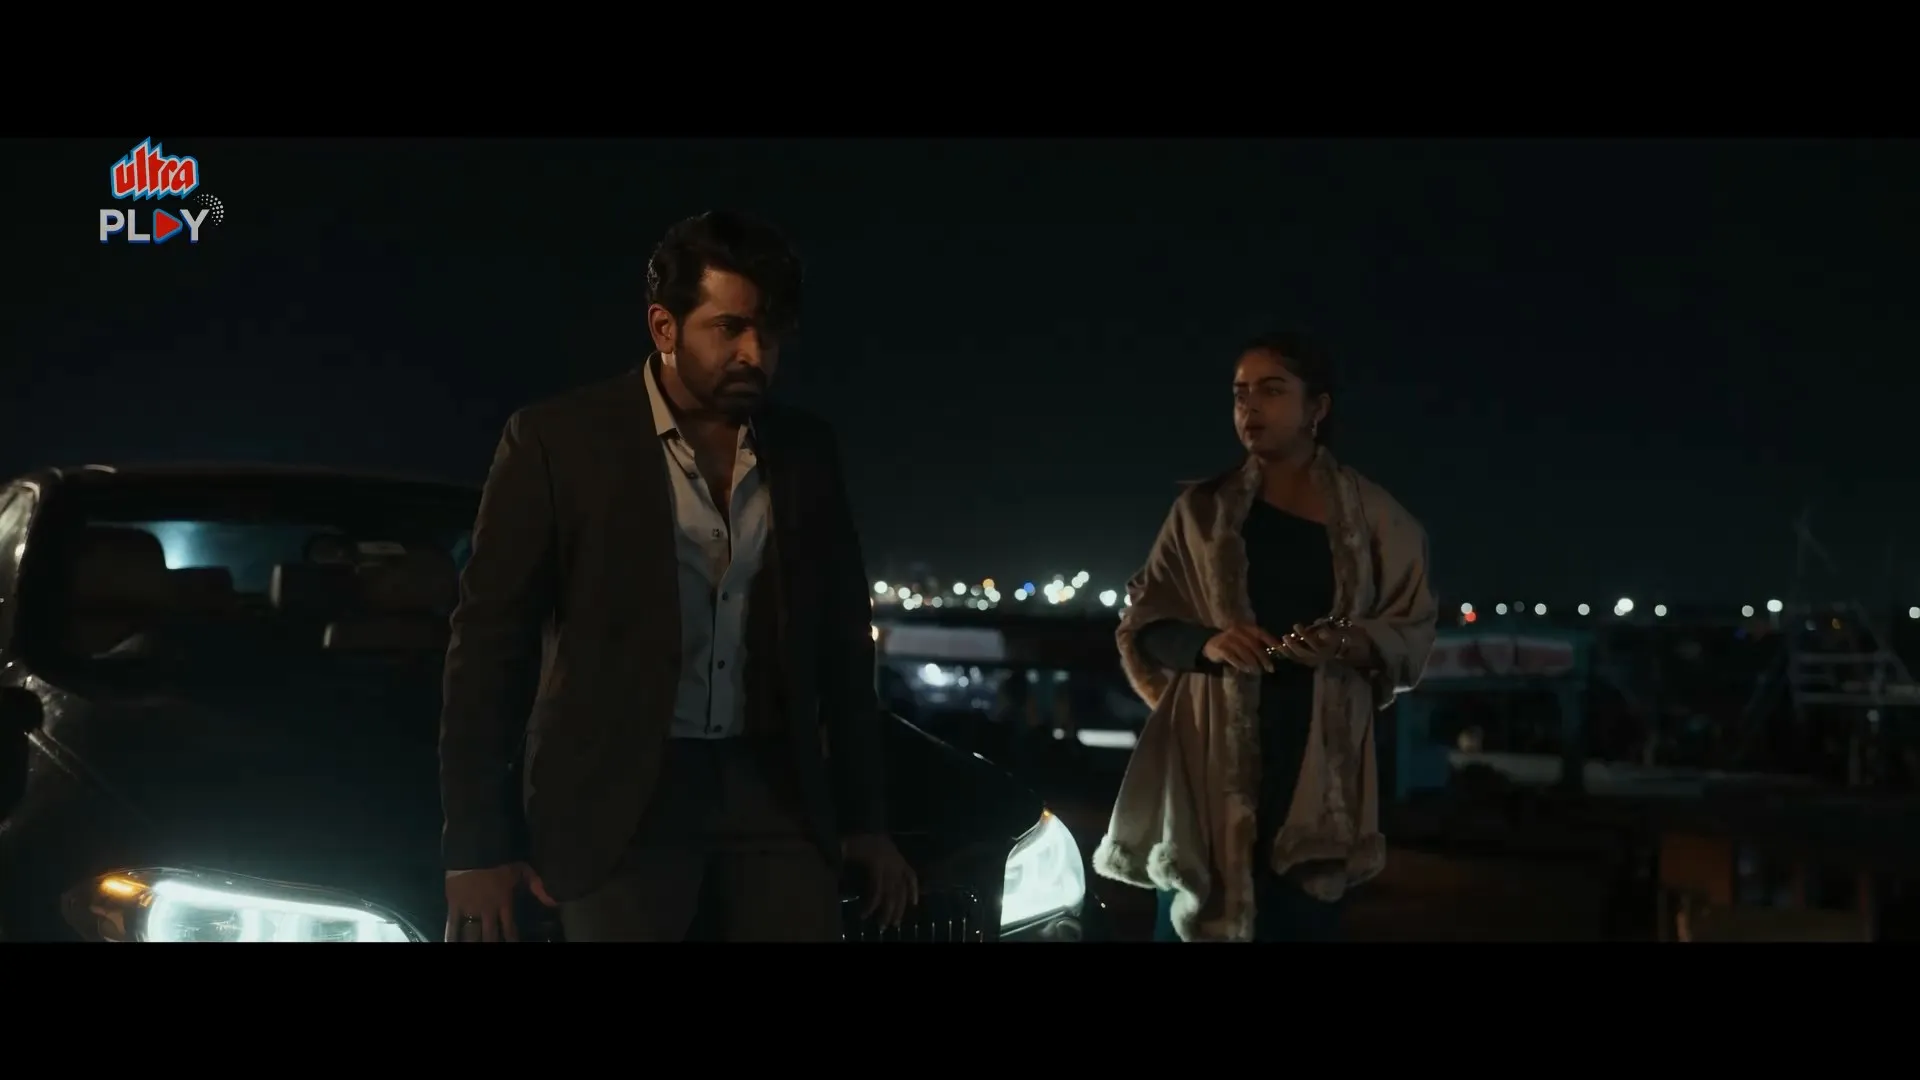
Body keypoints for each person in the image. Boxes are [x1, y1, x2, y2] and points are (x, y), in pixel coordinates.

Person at [439, 210, 917, 942]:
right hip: (616, 802)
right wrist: (476, 847)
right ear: (664, 327)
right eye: (730, 328)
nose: (755, 353)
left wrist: (865, 820)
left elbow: (844, 648)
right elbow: (487, 649)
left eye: (770, 332)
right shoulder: (558, 442)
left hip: (773, 790)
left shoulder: (804, 451)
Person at [1091, 331, 1438, 942]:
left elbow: (1410, 633)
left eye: (1272, 391)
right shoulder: (1201, 513)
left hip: (1317, 769)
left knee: (1299, 919)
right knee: (1196, 914)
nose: (1249, 406)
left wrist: (1345, 643)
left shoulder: (1377, 517)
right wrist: (1207, 644)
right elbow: (1144, 625)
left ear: (1317, 408)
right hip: (1209, 765)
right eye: (1240, 393)